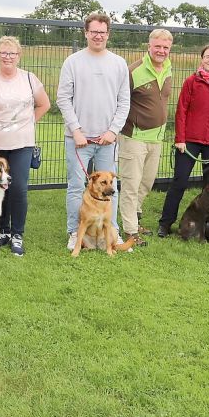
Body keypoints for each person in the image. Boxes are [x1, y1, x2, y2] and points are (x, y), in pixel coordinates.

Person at [57, 13, 130, 250]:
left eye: (102, 32)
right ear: (86, 33)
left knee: (111, 187)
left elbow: (124, 102)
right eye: (94, 31)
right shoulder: (73, 62)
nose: (98, 36)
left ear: (108, 34)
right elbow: (63, 98)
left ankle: (113, 231)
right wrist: (76, 130)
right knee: (77, 186)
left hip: (107, 140)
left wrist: (112, 131)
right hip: (78, 140)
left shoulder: (118, 63)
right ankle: (73, 231)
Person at [0, 36, 51, 256]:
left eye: (12, 53)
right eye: (3, 53)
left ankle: (17, 233)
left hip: (22, 144)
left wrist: (26, 123)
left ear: (19, 56)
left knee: (18, 188)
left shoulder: (29, 79)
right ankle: (3, 230)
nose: (7, 57)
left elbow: (44, 104)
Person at [157, 44, 209, 238]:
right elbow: (181, 110)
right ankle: (165, 224)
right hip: (189, 141)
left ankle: (208, 230)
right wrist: (180, 139)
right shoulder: (191, 81)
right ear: (202, 59)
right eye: (207, 57)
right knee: (179, 182)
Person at [117, 29, 173, 244]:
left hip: (156, 138)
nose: (161, 51)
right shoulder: (133, 71)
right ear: (149, 46)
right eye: (157, 46)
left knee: (146, 183)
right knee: (131, 185)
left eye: (165, 47)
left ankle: (135, 218)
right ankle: (131, 231)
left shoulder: (168, 69)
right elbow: (120, 101)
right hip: (134, 137)